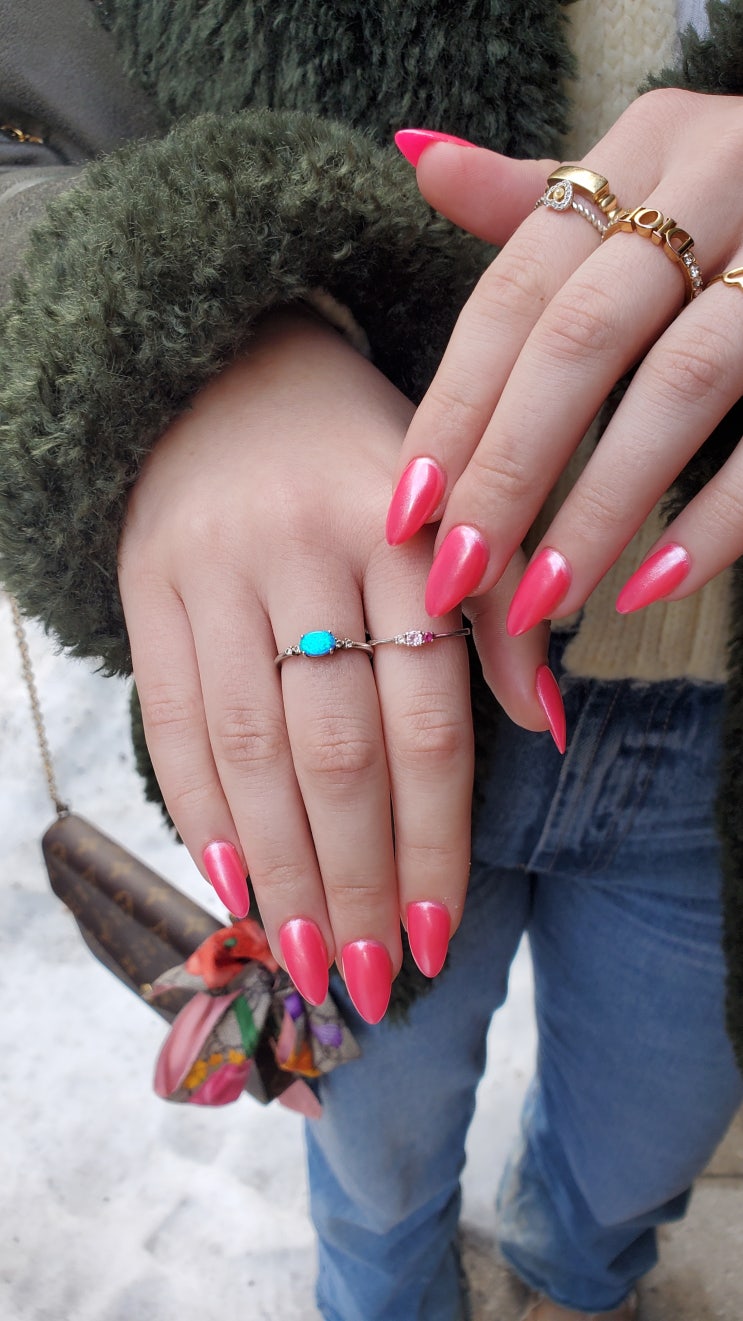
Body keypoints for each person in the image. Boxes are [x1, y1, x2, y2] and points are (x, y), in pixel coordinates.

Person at [1, 1, 743, 1317]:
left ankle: (576, 1287)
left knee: (637, 1161)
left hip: (712, 750)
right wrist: (190, 331)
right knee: (373, 1157)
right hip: (332, 704)